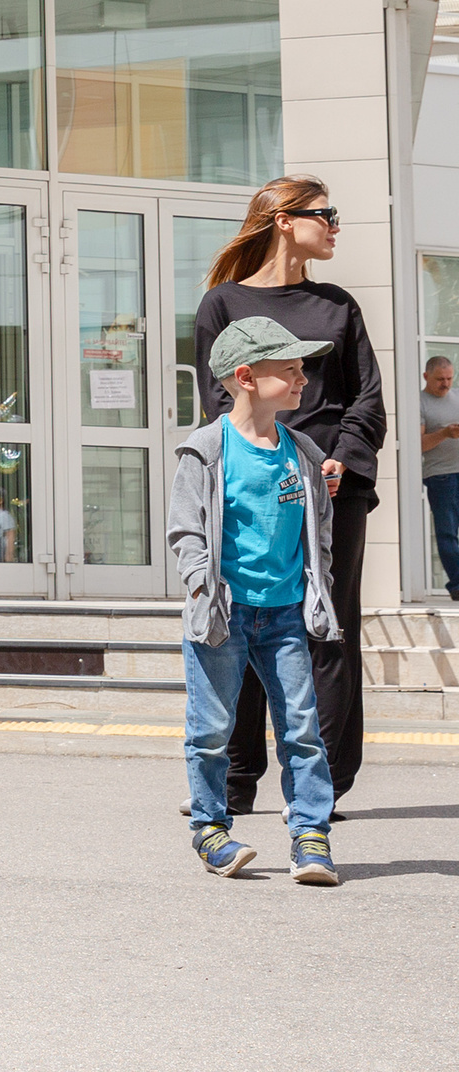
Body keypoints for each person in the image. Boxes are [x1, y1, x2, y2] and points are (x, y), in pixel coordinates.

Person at [194, 175, 384, 810]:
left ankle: (321, 785)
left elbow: (367, 401)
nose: (335, 225)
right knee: (242, 622)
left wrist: (339, 462)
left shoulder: (338, 305)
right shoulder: (223, 305)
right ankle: (235, 779)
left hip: (333, 491)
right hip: (250, 492)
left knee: (327, 628)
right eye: (325, 213)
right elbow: (220, 403)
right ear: (283, 220)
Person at [170, 317, 342, 885]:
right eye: (289, 369)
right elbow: (186, 531)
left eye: (302, 368)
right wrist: (200, 583)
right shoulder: (206, 450)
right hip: (223, 613)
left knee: (301, 727)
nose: (302, 378)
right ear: (246, 377)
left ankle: (311, 836)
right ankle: (211, 831)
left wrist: (320, 585)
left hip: (287, 612)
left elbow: (314, 527)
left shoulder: (303, 450)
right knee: (212, 728)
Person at [420, 357, 459, 600]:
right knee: (447, 533)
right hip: (440, 476)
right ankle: (457, 584)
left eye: (449, 378)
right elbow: (418, 445)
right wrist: (445, 433)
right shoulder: (419, 402)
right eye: (439, 380)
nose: (445, 384)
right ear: (426, 377)